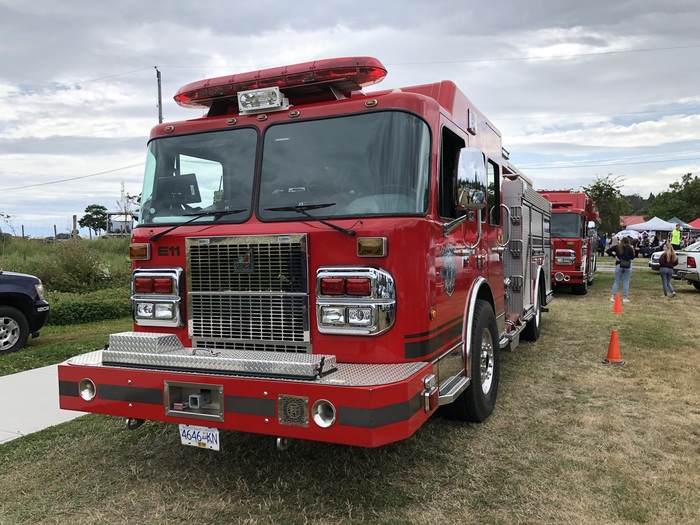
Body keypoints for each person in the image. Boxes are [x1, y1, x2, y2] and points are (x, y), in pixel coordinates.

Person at [606, 236, 635, 302]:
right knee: (626, 281)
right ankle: (625, 297)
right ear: (628, 242)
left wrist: (614, 256)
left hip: (619, 264)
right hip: (627, 265)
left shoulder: (617, 247)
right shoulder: (629, 248)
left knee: (616, 281)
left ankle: (612, 296)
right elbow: (632, 257)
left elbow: (608, 251)